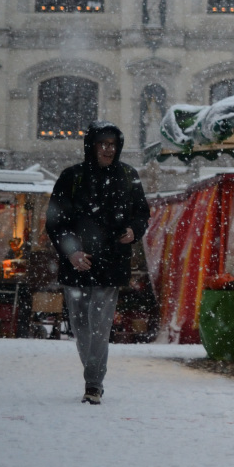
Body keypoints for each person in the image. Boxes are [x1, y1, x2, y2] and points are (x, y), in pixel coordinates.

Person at [45, 123, 149, 405]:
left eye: (112, 144)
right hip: (76, 265)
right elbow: (55, 223)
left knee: (100, 326)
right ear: (91, 146)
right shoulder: (71, 177)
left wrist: (134, 230)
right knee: (81, 327)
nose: (108, 149)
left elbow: (142, 213)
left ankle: (93, 384)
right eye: (102, 143)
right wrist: (72, 253)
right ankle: (92, 375)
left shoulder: (128, 176)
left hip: (111, 263)